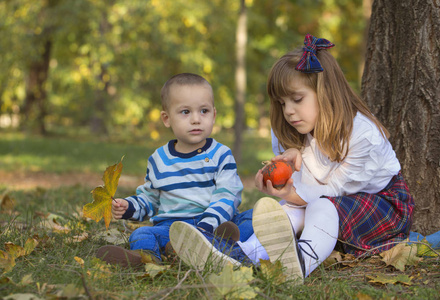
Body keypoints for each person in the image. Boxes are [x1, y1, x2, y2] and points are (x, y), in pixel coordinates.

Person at [169, 34, 415, 282]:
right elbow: (302, 194)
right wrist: (285, 177)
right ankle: (242, 257)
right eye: (281, 102)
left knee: (318, 205)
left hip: (382, 208)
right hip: (324, 210)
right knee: (285, 213)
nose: (288, 111)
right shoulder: (293, 130)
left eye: (297, 99)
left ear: (326, 93)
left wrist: (288, 193)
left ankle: (300, 262)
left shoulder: (363, 135)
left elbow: (332, 192)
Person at [96, 73, 252, 268]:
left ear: (214, 115)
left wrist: (205, 226)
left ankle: (207, 245)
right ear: (167, 118)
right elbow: (150, 199)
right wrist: (129, 207)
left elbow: (228, 195)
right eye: (185, 112)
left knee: (252, 217)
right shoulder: (159, 159)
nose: (196, 119)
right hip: (172, 228)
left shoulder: (221, 154)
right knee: (141, 233)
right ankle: (147, 258)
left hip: (214, 224)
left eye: (204, 111)